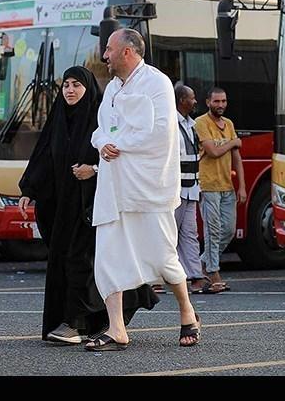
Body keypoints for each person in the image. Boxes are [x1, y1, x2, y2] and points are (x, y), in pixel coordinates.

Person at [17, 66, 157, 344]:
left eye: (76, 85)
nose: (69, 90)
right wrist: (30, 190)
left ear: (88, 88)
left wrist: (93, 169)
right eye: (65, 85)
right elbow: (44, 155)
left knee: (80, 261)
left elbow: (121, 152)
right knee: (68, 261)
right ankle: (86, 321)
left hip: (94, 204)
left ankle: (76, 324)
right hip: (63, 207)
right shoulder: (59, 119)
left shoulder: (101, 117)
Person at [86, 28, 200, 350]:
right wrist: (103, 143)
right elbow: (100, 129)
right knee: (107, 258)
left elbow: (161, 134)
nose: (104, 55)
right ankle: (117, 329)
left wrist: (116, 143)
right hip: (113, 187)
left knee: (163, 258)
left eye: (109, 49)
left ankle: (187, 311)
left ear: (127, 51)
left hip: (148, 188)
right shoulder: (110, 88)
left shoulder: (157, 83)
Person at [194, 86, 246, 293]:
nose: (220, 105)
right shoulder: (201, 123)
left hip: (227, 186)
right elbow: (213, 151)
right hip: (208, 185)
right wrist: (233, 141)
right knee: (212, 231)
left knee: (229, 230)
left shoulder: (229, 124)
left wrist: (241, 186)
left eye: (223, 101)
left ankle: (199, 265)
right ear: (208, 102)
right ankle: (213, 272)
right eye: (216, 101)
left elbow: (236, 157)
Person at [173, 83, 208, 295]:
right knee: (169, 235)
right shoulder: (170, 124)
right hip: (175, 191)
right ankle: (158, 279)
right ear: (181, 101)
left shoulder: (190, 125)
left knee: (190, 234)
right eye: (192, 98)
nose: (195, 102)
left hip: (191, 188)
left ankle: (194, 276)